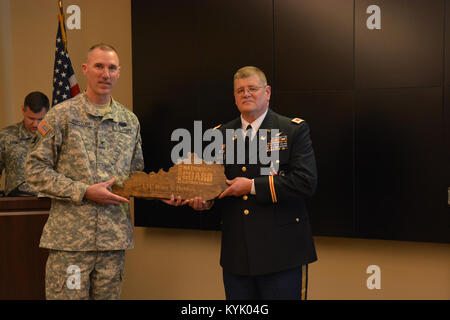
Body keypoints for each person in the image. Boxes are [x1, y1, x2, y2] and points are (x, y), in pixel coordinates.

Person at [171, 66, 318, 300]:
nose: (246, 94)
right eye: (240, 90)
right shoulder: (218, 134)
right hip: (237, 255)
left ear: (267, 92)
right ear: (234, 96)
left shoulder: (291, 130)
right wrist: (201, 202)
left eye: (252, 88)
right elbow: (210, 186)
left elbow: (305, 182)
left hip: (281, 254)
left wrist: (250, 186)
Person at [25, 43, 144, 300]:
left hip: (113, 243)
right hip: (71, 244)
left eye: (112, 68)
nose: (106, 74)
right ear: (85, 69)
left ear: (119, 72)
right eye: (99, 66)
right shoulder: (61, 116)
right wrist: (84, 191)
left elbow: (136, 176)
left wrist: (168, 192)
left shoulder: (129, 121)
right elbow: (34, 170)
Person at [0, 91, 49, 197]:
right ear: (23, 110)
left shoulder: (54, 137)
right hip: (17, 202)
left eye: (40, 119)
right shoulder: (6, 136)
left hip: (50, 202)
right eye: (31, 118)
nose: (35, 124)